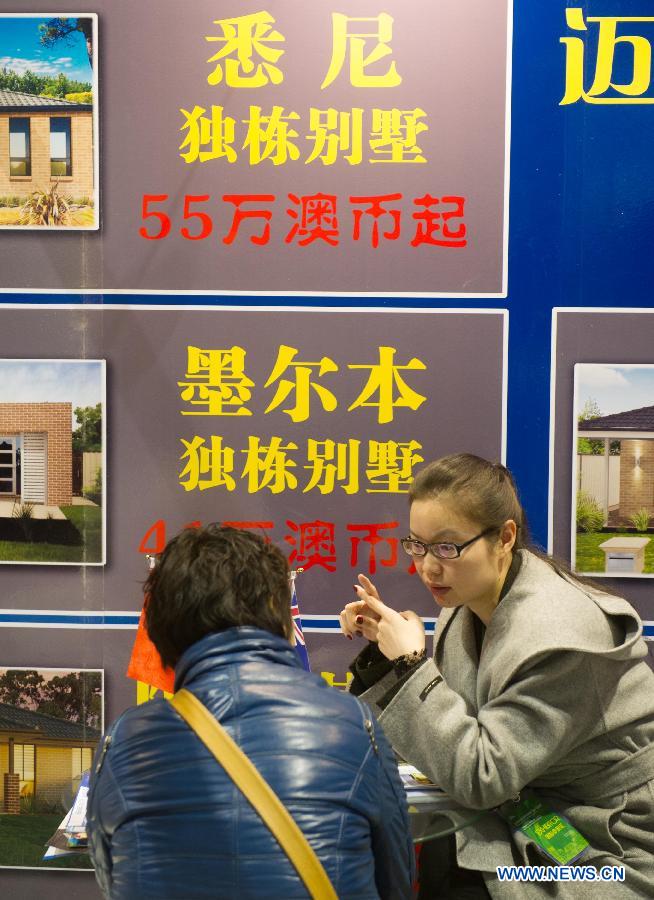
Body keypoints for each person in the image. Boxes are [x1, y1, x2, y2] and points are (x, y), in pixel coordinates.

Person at [340, 454, 654, 898]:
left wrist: (411, 666)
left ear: (505, 537)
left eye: (447, 547)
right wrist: (387, 655)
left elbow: (481, 776)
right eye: (417, 544)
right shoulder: (465, 606)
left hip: (603, 851)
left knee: (457, 874)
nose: (428, 567)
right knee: (437, 860)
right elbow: (446, 743)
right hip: (528, 817)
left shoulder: (559, 636)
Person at [88, 524, 414, 900]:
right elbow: (397, 883)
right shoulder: (356, 727)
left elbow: (112, 880)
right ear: (282, 619)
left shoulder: (123, 743)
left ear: (160, 635)